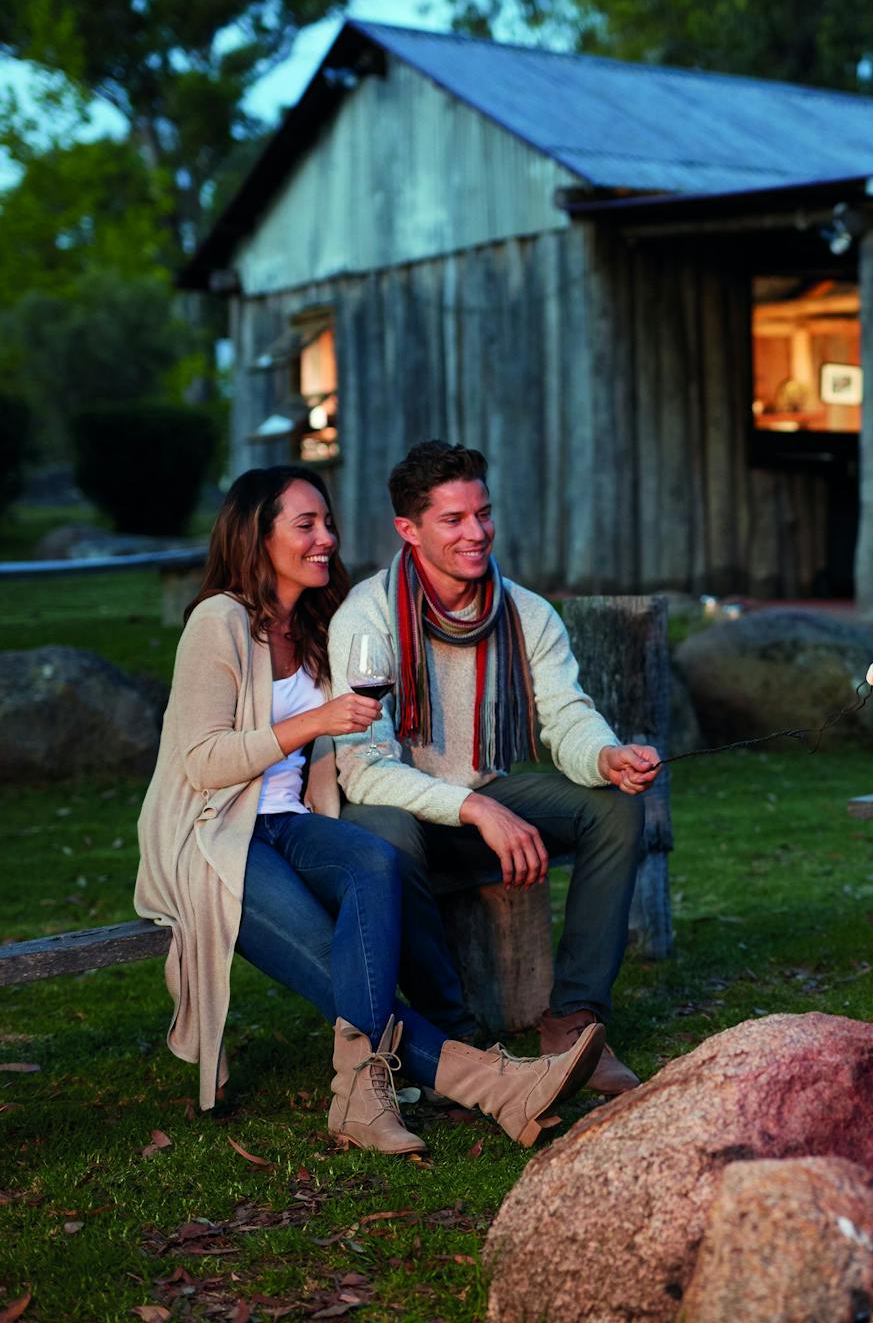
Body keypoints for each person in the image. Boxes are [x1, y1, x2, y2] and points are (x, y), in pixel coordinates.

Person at [134, 465, 604, 1153]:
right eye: (306, 526)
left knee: (374, 858)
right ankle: (487, 1083)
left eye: (327, 523)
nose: (326, 537)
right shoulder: (220, 622)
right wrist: (314, 719)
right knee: (337, 969)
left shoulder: (318, 626)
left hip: (294, 825)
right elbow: (201, 763)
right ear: (255, 537)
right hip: (213, 839)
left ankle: (371, 1089)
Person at [330, 442, 660, 1094]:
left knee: (615, 808)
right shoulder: (366, 621)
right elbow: (363, 771)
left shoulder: (526, 612)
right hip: (407, 811)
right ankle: (453, 1040)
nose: (476, 532)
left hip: (484, 787)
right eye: (453, 519)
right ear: (409, 529)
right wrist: (477, 809)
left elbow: (565, 712)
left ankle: (575, 1021)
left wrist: (603, 754)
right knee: (384, 834)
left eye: (482, 513)